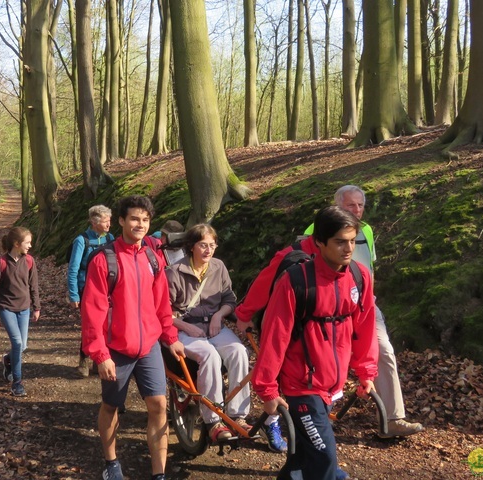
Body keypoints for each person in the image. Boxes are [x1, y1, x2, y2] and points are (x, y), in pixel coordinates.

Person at [253, 206, 379, 480]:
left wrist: (365, 371)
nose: (348, 249)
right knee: (324, 459)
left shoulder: (360, 277)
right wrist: (267, 388)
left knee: (303, 460)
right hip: (301, 386)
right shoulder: (296, 281)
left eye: (352, 241)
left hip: (332, 382)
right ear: (319, 242)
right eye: (339, 241)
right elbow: (275, 335)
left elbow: (365, 328)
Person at [305, 185, 424, 439]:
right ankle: (315, 415)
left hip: (365, 303)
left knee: (385, 351)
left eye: (360, 205)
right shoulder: (316, 230)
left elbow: (369, 266)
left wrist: (370, 291)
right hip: (327, 306)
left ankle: (393, 419)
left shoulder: (366, 230)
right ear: (337, 205)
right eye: (351, 205)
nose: (357, 210)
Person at [81, 195, 185, 480]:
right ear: (122, 221)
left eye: (145, 220)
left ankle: (158, 474)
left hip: (149, 345)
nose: (140, 224)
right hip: (116, 348)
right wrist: (100, 354)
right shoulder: (105, 260)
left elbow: (162, 303)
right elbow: (93, 311)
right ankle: (111, 462)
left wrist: (170, 336)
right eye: (135, 219)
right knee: (111, 406)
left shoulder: (153, 257)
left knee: (158, 406)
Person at [166, 224, 274, 444]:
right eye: (203, 245)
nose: (208, 250)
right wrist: (185, 327)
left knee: (239, 352)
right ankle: (213, 419)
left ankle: (238, 415)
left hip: (214, 325)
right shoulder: (174, 272)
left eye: (212, 245)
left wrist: (218, 316)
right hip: (185, 327)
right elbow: (161, 312)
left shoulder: (218, 267)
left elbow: (229, 299)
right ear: (191, 247)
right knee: (210, 356)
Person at [0, 226, 41, 397]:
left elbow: (34, 286)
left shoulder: (30, 261)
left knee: (22, 345)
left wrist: (36, 307)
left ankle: (7, 359)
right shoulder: (2, 262)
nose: (30, 246)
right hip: (6, 309)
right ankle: (17, 383)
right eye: (27, 243)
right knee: (17, 344)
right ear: (17, 244)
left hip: (24, 309)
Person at [67, 205, 115, 378]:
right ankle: (83, 360)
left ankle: (98, 360)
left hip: (107, 289)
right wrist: (73, 294)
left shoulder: (110, 238)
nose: (109, 224)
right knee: (91, 324)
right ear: (94, 223)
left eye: (109, 220)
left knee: (105, 324)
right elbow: (73, 269)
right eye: (105, 221)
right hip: (85, 289)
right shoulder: (81, 240)